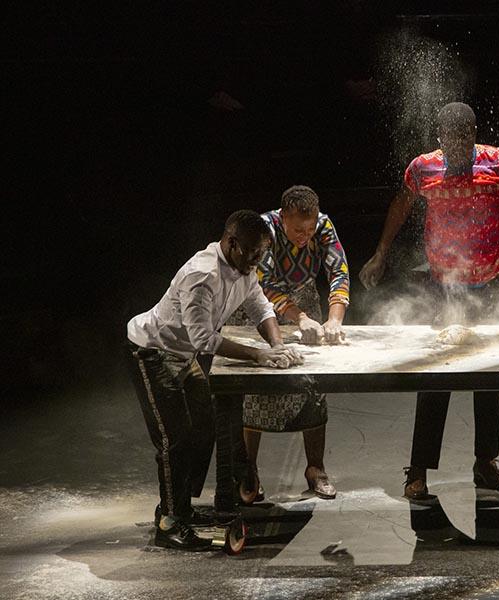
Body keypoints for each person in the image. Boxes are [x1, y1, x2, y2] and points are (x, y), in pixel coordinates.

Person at [359, 102, 499, 500]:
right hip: (445, 281)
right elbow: (400, 206)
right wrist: (381, 253)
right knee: (435, 374)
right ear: (439, 138)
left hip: (495, 274)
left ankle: (486, 461)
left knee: (492, 373)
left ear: (473, 133)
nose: (456, 146)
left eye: (464, 137)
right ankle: (418, 469)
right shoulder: (422, 169)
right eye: (449, 139)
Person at [125, 210, 303, 550]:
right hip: (151, 352)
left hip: (181, 354)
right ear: (232, 243)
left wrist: (277, 345)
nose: (257, 260)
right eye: (253, 253)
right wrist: (258, 355)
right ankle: (168, 523)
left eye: (262, 253)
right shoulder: (202, 275)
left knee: (204, 427)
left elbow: (260, 306)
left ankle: (181, 509)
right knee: (172, 439)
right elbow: (203, 340)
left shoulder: (244, 267)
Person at [228, 185, 349, 501]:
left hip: (304, 300)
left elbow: (339, 273)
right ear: (283, 218)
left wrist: (334, 320)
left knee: (313, 384)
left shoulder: (322, 225)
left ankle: (316, 469)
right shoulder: (264, 229)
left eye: (309, 229)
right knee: (256, 391)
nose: (304, 235)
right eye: (298, 229)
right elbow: (263, 285)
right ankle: (249, 471)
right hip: (258, 308)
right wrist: (300, 318)